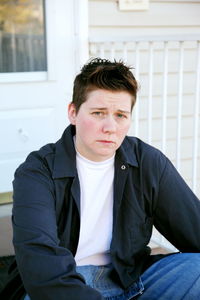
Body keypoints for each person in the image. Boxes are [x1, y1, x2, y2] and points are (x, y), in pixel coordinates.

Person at [2, 58, 200, 300]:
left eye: (120, 115)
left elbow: (194, 228)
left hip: (129, 277)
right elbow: (41, 264)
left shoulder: (148, 162)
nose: (110, 127)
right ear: (73, 113)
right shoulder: (37, 171)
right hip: (65, 284)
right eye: (98, 113)